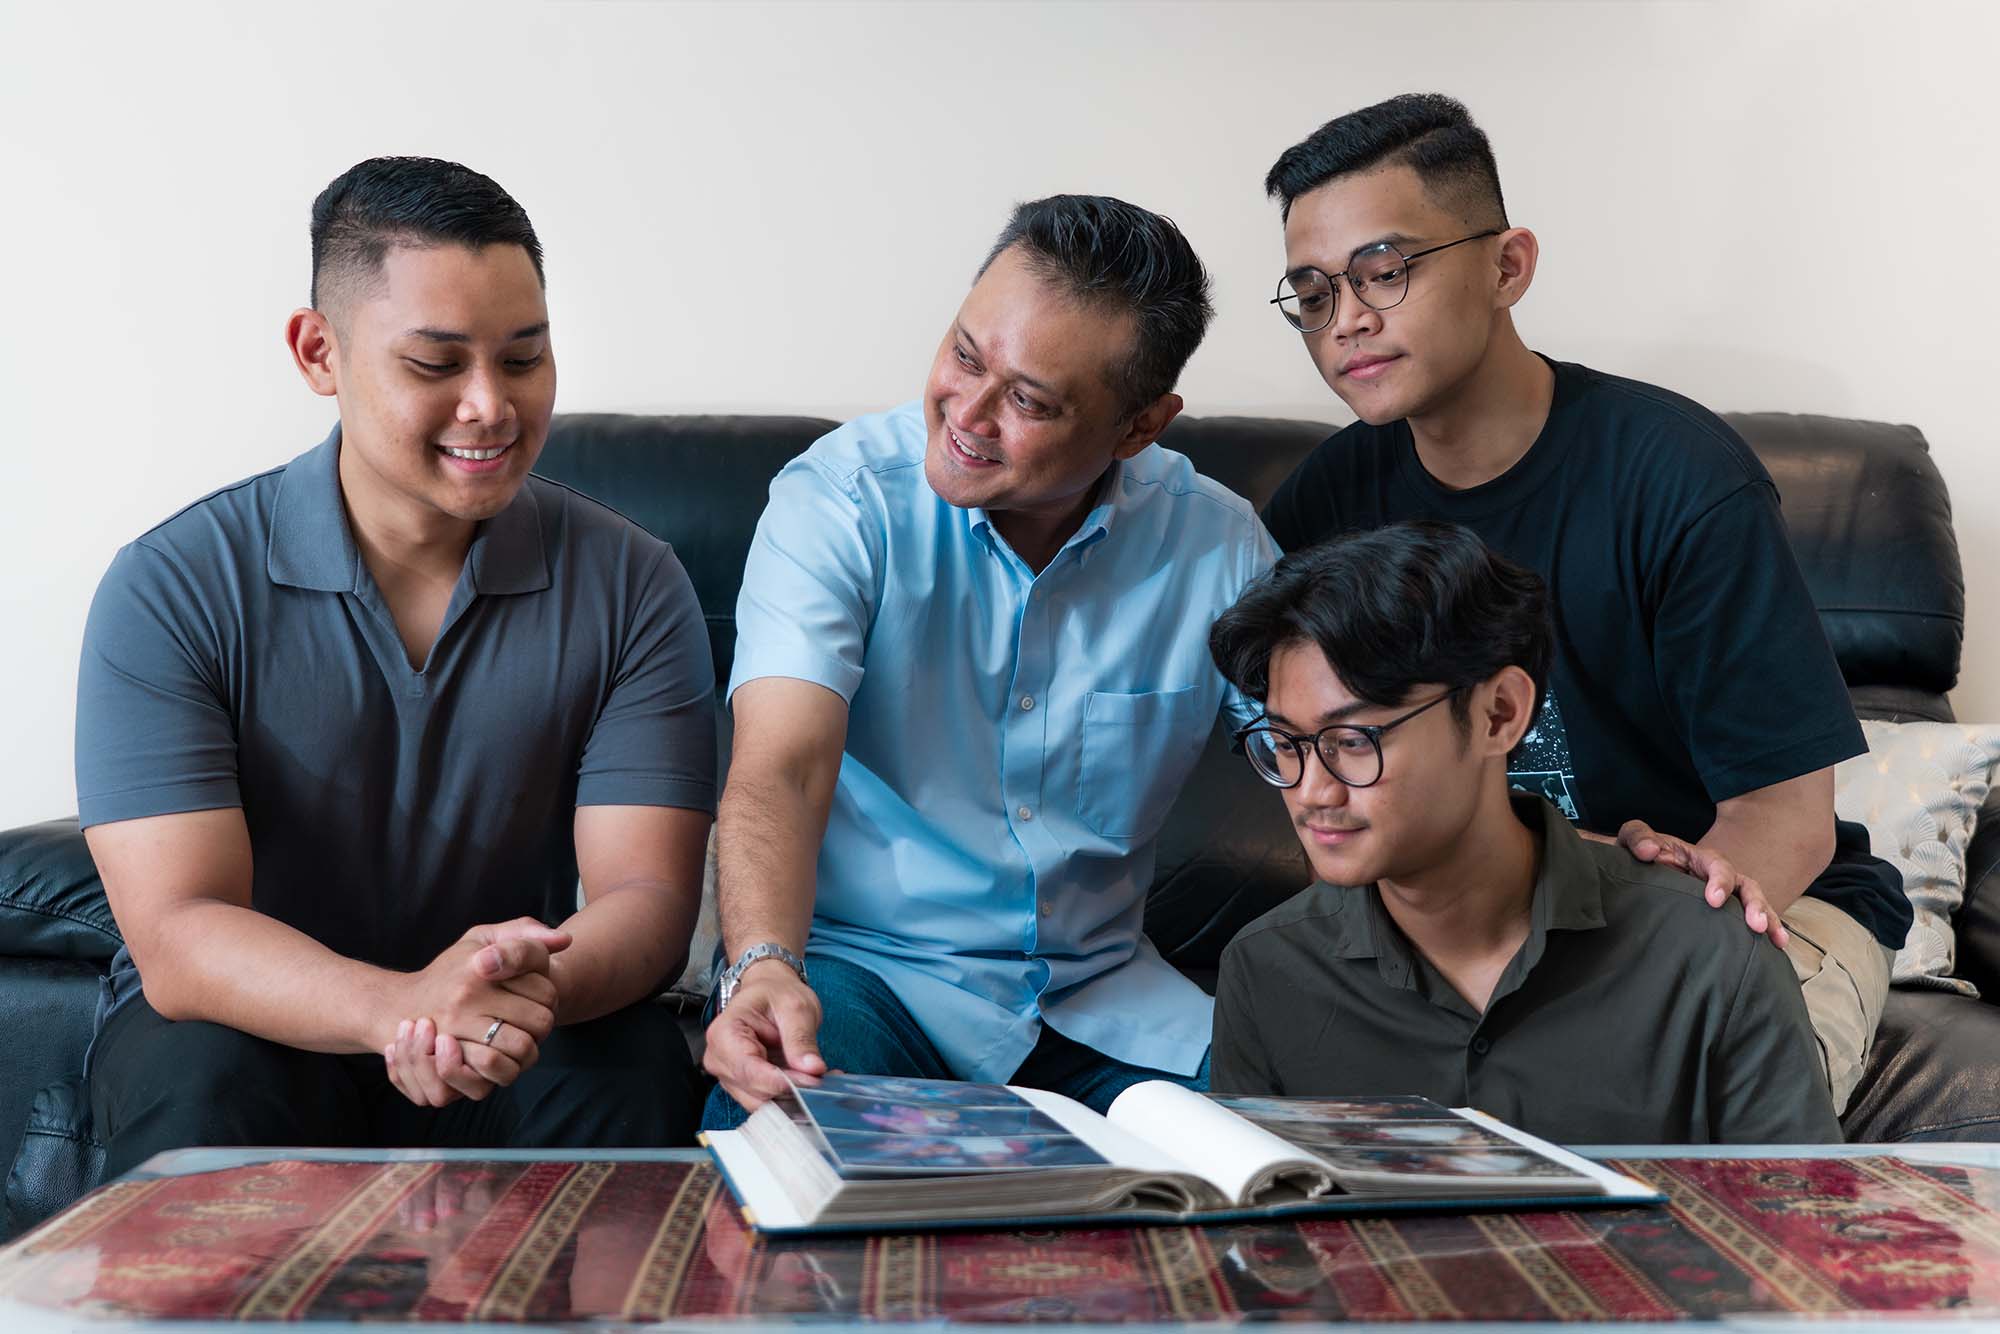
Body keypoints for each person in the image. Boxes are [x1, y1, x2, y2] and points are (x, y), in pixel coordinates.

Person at [1256, 93, 1909, 1113]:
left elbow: (1783, 819)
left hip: (1727, 904)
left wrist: (1610, 951)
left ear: (1505, 265)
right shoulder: (1324, 502)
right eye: (1309, 292)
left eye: (1384, 271)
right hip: (1472, 923)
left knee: (1665, 1114)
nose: (1345, 320)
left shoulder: (1678, 478)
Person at [77, 156, 714, 1177]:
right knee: (201, 1079)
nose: (488, 407)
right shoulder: (172, 585)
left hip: (519, 1023)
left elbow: (646, 896)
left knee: (628, 1074)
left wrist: (505, 987)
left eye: (522, 359)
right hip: (257, 1025)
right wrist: (402, 1007)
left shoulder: (634, 584)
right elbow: (181, 931)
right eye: (435, 364)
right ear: (318, 350)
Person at [700, 195, 1278, 1127]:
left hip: (1110, 1009)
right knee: (785, 1144)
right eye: (966, 354)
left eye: (1028, 401)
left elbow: (1319, 754)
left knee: (1283, 1169)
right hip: (871, 984)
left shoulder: (1217, 545)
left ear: (1139, 427)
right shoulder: (840, 503)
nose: (965, 414)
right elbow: (783, 764)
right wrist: (763, 962)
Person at [1207, 521, 1841, 1144]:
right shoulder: (1266, 973)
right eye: (1286, 744)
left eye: (1353, 741)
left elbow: (1800, 1231)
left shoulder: (1711, 961)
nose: (1313, 792)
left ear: (1499, 714)